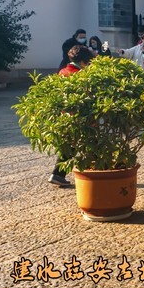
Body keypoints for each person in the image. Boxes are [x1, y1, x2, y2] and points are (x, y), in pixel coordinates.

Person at [49, 45, 92, 187]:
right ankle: (100, 170)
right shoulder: (79, 75)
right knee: (93, 142)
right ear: (82, 62)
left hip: (65, 116)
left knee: (69, 147)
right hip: (79, 116)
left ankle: (57, 174)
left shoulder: (63, 71)